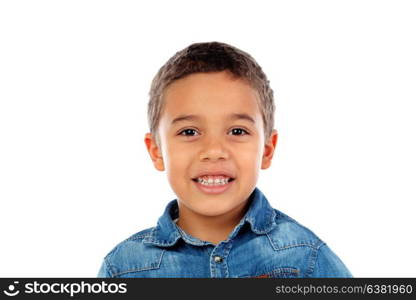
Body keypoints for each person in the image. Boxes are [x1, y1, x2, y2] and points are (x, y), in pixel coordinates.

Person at [97, 42, 352, 278]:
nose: (214, 150)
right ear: (156, 151)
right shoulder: (124, 269)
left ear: (266, 150)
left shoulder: (305, 257)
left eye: (237, 131)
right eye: (189, 132)